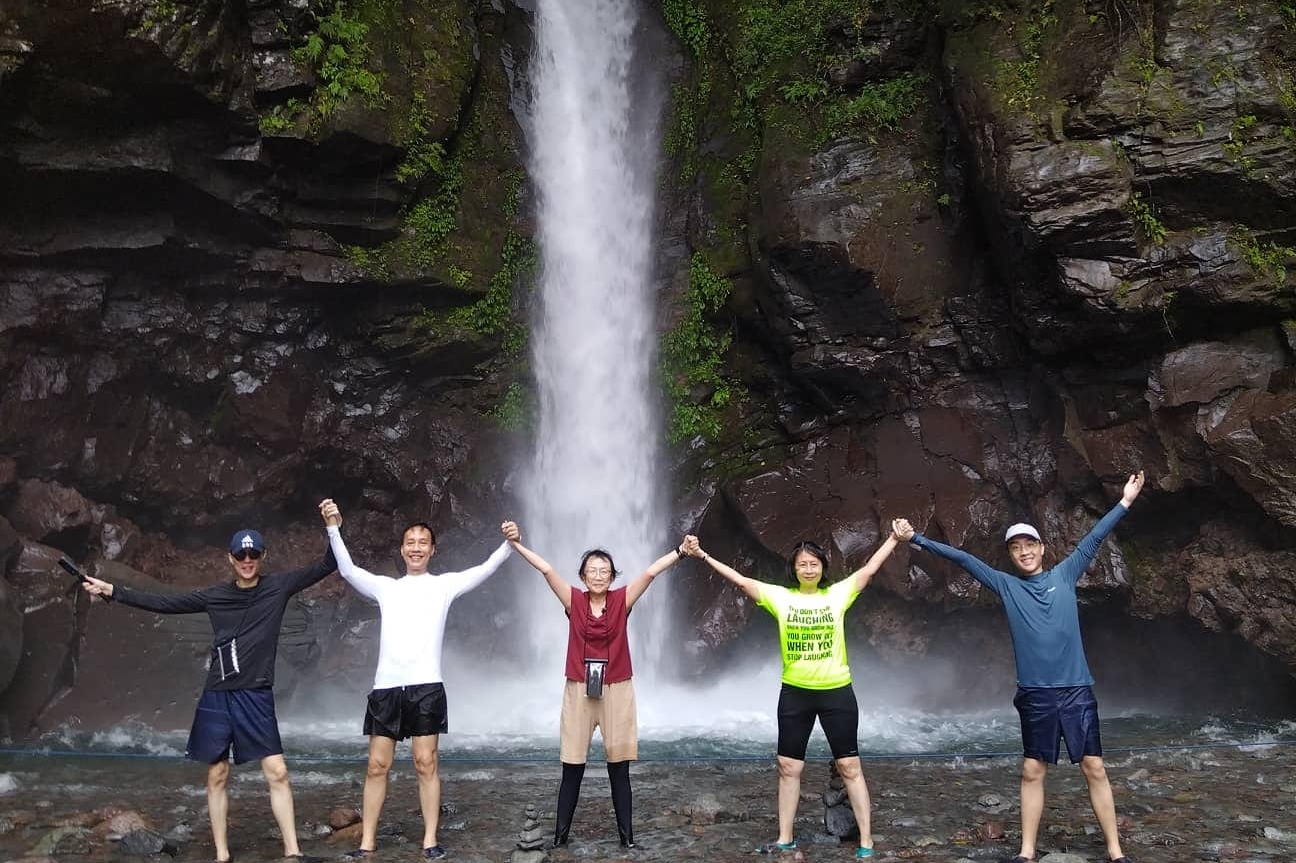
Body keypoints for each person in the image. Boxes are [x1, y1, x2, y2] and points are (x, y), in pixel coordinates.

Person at [893, 470, 1146, 863]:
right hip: (1035, 693)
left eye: (1030, 544)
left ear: (1042, 548)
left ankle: (1115, 853)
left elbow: (1095, 537)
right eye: (1016, 548)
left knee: (1094, 767)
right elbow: (962, 559)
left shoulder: (1066, 574)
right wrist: (916, 540)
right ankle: (1027, 853)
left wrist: (1126, 500)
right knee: (1032, 769)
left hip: (1076, 688)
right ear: (1010, 555)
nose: (1024, 551)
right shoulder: (1006, 586)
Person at [81, 527, 336, 863]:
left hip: (256, 694)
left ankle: (293, 852)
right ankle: (221, 854)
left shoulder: (278, 587)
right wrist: (111, 591)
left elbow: (329, 564)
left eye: (253, 554)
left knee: (277, 771)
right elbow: (164, 603)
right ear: (230, 558)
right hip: (218, 694)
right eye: (241, 555)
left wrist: (333, 525)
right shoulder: (216, 596)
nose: (247, 560)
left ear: (263, 557)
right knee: (217, 773)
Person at [683, 525, 903, 859]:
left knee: (849, 766)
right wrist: (703, 555)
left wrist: (894, 539)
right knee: (788, 766)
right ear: (795, 569)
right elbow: (741, 581)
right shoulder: (780, 598)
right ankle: (785, 838)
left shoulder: (838, 595)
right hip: (795, 694)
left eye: (814, 564)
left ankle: (867, 841)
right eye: (803, 564)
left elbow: (870, 569)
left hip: (836, 692)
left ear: (822, 568)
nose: (809, 569)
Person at [319, 499, 514, 860]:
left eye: (423, 542)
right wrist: (333, 526)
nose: (416, 548)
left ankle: (429, 839)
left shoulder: (445, 586)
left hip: (426, 686)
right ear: (402, 549)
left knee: (427, 762)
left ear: (432, 550)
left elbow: (485, 568)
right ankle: (367, 842)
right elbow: (346, 570)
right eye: (411, 542)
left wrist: (509, 543)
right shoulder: (385, 588)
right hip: (386, 688)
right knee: (377, 765)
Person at [502, 521, 689, 849]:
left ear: (613, 576)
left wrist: (680, 552)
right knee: (571, 767)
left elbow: (650, 572)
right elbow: (546, 569)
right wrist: (516, 544)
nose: (598, 575)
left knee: (619, 769)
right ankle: (560, 841)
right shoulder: (573, 601)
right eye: (592, 570)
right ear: (583, 576)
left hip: (617, 687)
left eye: (604, 570)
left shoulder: (622, 600)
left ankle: (627, 841)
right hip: (579, 688)